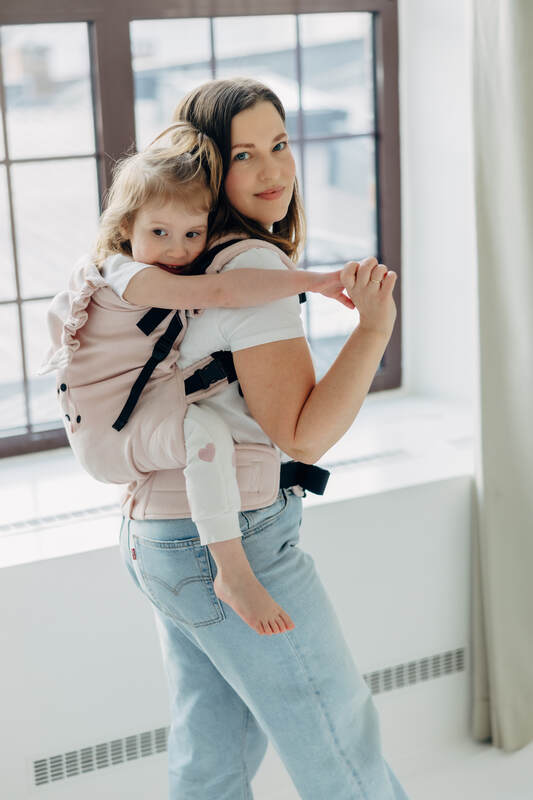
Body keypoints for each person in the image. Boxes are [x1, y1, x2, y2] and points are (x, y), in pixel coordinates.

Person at [119, 78, 410, 799]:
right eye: (243, 155)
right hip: (234, 542)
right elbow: (302, 437)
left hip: (161, 535)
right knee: (340, 745)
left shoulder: (183, 258)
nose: (273, 170)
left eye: (279, 144)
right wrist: (374, 327)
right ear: (206, 167)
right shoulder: (249, 265)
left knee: (210, 758)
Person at [41, 121, 354, 636]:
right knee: (202, 432)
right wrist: (319, 282)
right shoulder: (129, 275)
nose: (178, 250)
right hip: (110, 437)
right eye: (159, 233)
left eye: (192, 234)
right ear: (126, 228)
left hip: (130, 442)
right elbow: (226, 293)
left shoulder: (159, 264)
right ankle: (232, 572)